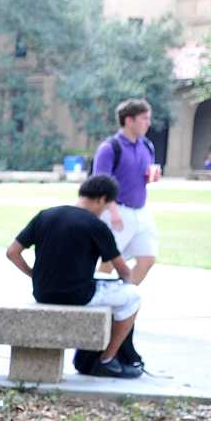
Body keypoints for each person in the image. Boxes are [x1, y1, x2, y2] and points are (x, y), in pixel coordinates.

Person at [5, 174, 144, 379]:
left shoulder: (45, 215)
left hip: (42, 293)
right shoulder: (96, 226)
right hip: (79, 296)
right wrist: (126, 283)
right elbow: (123, 271)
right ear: (102, 199)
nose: (104, 212)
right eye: (106, 207)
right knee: (132, 296)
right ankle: (106, 360)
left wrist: (33, 274)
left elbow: (12, 252)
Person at [90, 98, 161, 370]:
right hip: (116, 210)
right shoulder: (110, 147)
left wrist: (151, 176)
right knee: (108, 262)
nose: (148, 123)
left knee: (147, 258)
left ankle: (124, 302)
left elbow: (144, 174)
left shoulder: (147, 146)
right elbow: (98, 182)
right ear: (129, 120)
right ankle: (101, 307)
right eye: (144, 118)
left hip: (141, 211)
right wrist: (111, 209)